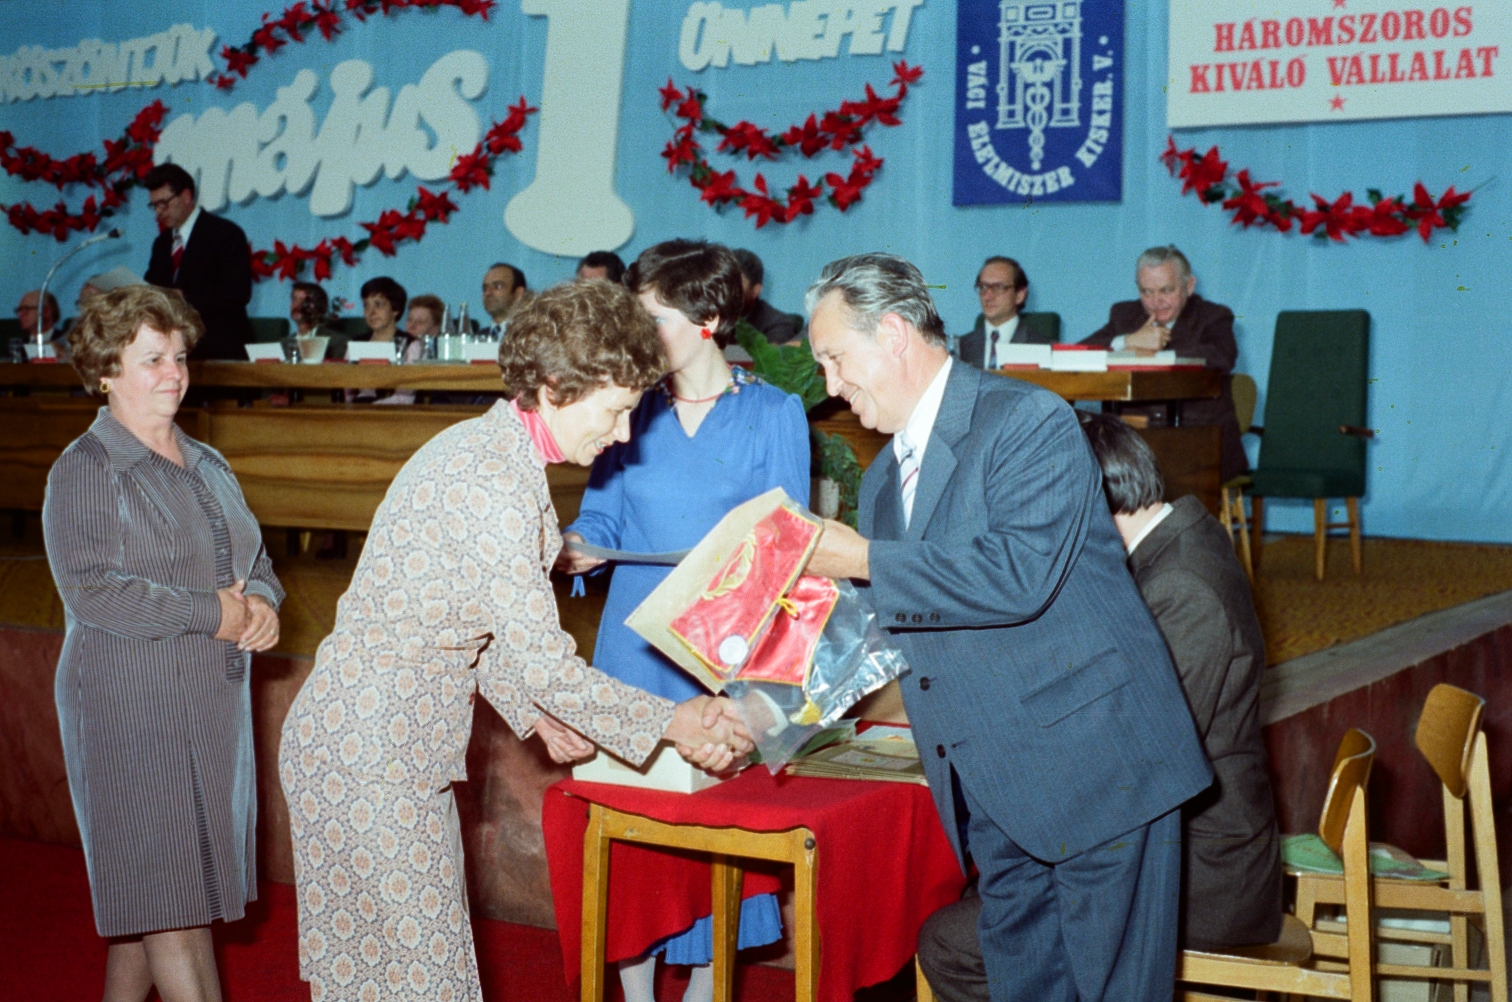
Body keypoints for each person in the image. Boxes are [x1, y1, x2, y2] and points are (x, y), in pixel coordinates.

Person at [278, 279, 751, 1002]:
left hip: (367, 744)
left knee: (386, 982)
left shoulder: (495, 455)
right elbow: (546, 665)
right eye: (616, 410)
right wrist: (675, 721)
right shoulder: (493, 480)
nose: (624, 434)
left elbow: (476, 627)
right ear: (557, 387)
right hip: (371, 751)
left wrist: (533, 713)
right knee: (417, 984)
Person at [801, 253, 1211, 1002]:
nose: (830, 385)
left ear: (892, 333)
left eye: (835, 358)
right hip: (994, 780)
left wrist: (860, 558)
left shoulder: (1025, 418)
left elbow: (1018, 573)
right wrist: (772, 696)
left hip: (1099, 768)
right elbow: (903, 618)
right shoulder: (886, 477)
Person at [913, 416, 1284, 1002]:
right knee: (993, 895)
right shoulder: (1176, 547)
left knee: (952, 940)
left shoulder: (1185, 589)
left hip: (1203, 879)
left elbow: (1127, 759)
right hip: (1174, 846)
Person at [560, 239, 809, 1002]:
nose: (638, 335)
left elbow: (786, 543)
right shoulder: (627, 410)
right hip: (632, 650)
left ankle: (706, 990)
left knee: (714, 838)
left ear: (708, 321)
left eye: (654, 319)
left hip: (719, 652)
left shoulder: (774, 413)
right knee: (631, 836)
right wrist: (579, 545)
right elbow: (601, 514)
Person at [42, 284, 284, 1002]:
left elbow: (255, 562)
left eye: (179, 356)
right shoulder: (86, 467)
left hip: (208, 700)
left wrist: (262, 604)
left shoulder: (207, 460)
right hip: (129, 701)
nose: (174, 373)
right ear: (105, 371)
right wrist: (214, 613)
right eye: (152, 359)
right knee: (174, 907)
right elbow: (90, 589)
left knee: (160, 893)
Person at [1081, 245, 1248, 481]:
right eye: (1146, 292)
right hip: (1136, 440)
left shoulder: (1214, 316)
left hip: (1197, 439)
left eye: (1166, 290)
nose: (1156, 302)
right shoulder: (1124, 314)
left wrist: (1154, 354)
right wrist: (1127, 341)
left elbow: (1222, 355)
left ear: (1189, 286)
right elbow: (1082, 351)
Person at [142, 163, 254, 361]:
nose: (159, 211)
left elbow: (238, 292)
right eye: (154, 205)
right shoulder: (162, 243)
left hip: (220, 350)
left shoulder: (225, 233)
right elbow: (153, 288)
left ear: (186, 196)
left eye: (164, 203)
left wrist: (184, 297)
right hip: (174, 353)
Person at [956, 256, 1055, 369]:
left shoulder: (1044, 348)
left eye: (998, 287)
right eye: (983, 287)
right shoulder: (960, 349)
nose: (988, 296)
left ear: (1019, 295)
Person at [731, 248, 798, 345]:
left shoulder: (777, 324)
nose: (726, 290)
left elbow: (772, 353)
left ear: (755, 290)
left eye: (735, 284)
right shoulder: (713, 318)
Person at [289, 281, 348, 360]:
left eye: (305, 301)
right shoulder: (284, 343)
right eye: (294, 299)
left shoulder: (336, 342)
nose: (297, 305)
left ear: (320, 307)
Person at [481, 262, 528, 338]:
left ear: (518, 293)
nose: (488, 293)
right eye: (485, 288)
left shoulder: (530, 336)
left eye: (498, 286)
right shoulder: (477, 338)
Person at [16, 288, 64, 358]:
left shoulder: (65, 342)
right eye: (19, 310)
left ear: (46, 312)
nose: (20, 314)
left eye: (26, 309)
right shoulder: (17, 346)